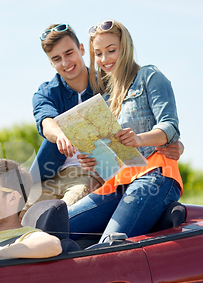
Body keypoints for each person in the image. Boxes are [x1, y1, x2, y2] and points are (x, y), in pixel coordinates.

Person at [24, 23, 183, 217]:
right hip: (51, 174)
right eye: (57, 59)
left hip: (93, 176)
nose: (65, 63)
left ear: (82, 49)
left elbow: (144, 119)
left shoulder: (109, 82)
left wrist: (174, 143)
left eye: (69, 53)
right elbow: (46, 121)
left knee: (57, 218)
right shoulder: (46, 91)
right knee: (14, 214)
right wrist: (60, 136)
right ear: (51, 63)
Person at [68, 20, 184, 243]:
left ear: (126, 48)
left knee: (109, 244)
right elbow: (111, 159)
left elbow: (170, 126)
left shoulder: (149, 76)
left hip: (154, 176)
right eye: (99, 54)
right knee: (57, 228)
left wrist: (138, 139)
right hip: (119, 182)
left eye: (111, 51)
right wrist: (93, 159)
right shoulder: (106, 99)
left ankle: (161, 215)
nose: (105, 59)